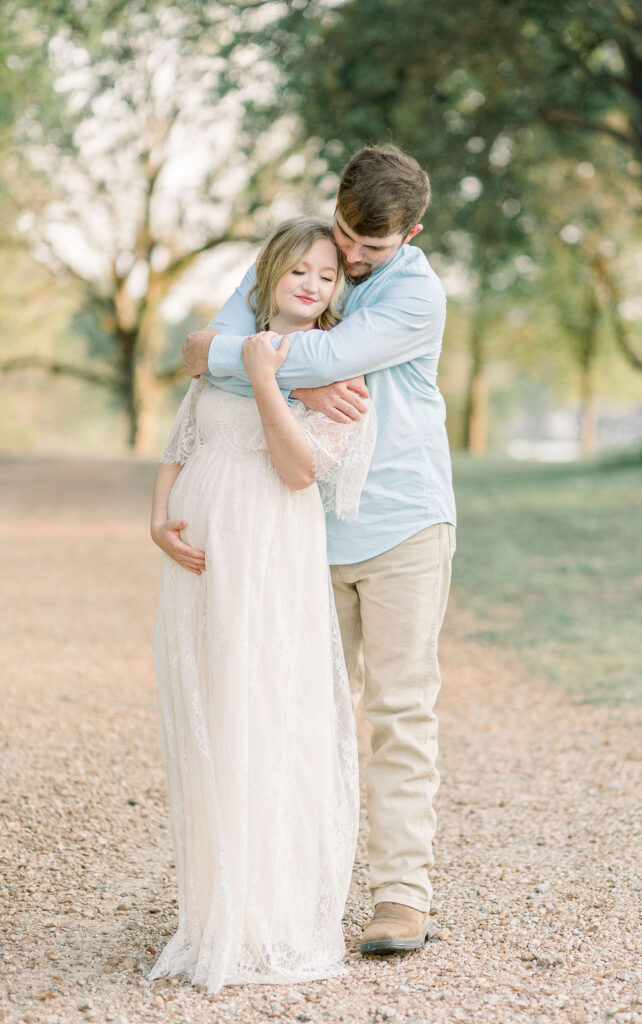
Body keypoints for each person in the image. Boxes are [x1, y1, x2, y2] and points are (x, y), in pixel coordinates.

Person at [183, 146, 457, 956]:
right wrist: (271, 371)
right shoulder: (302, 255)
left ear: (409, 232)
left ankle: (400, 899)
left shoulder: (417, 295)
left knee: (400, 713)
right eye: (343, 236)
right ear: (335, 207)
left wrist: (246, 363)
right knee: (302, 711)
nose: (347, 259)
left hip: (404, 523)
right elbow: (212, 340)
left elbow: (248, 354)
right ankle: (299, 894)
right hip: (302, 526)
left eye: (369, 249)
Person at [149, 217, 377, 990]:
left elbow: (295, 470)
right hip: (200, 555)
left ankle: (270, 920)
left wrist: (267, 379)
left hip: (268, 552)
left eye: (327, 276)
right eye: (299, 272)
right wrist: (158, 516)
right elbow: (183, 440)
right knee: (209, 710)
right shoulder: (226, 345)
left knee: (263, 712)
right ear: (270, 277)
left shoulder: (339, 372)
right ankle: (216, 913)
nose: (313, 286)